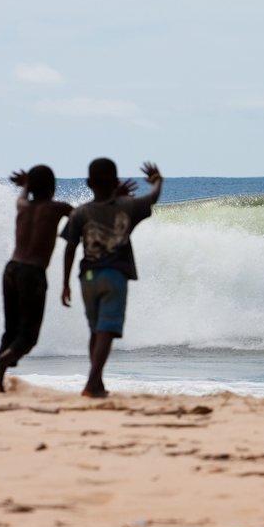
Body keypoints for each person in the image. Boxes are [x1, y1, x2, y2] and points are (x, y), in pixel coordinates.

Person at [60, 158, 163, 398]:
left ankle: (96, 384)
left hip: (87, 277)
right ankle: (91, 384)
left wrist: (65, 283)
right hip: (114, 276)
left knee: (96, 331)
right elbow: (152, 198)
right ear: (116, 181)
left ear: (88, 183)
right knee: (107, 331)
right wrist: (158, 180)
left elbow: (69, 248)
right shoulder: (126, 207)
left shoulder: (80, 213)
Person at [0, 165, 74, 393]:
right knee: (29, 337)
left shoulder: (22, 205)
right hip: (33, 274)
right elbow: (80, 217)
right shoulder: (58, 208)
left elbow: (23, 195)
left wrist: (26, 185)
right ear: (52, 187)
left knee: (10, 330)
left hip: (11, 269)